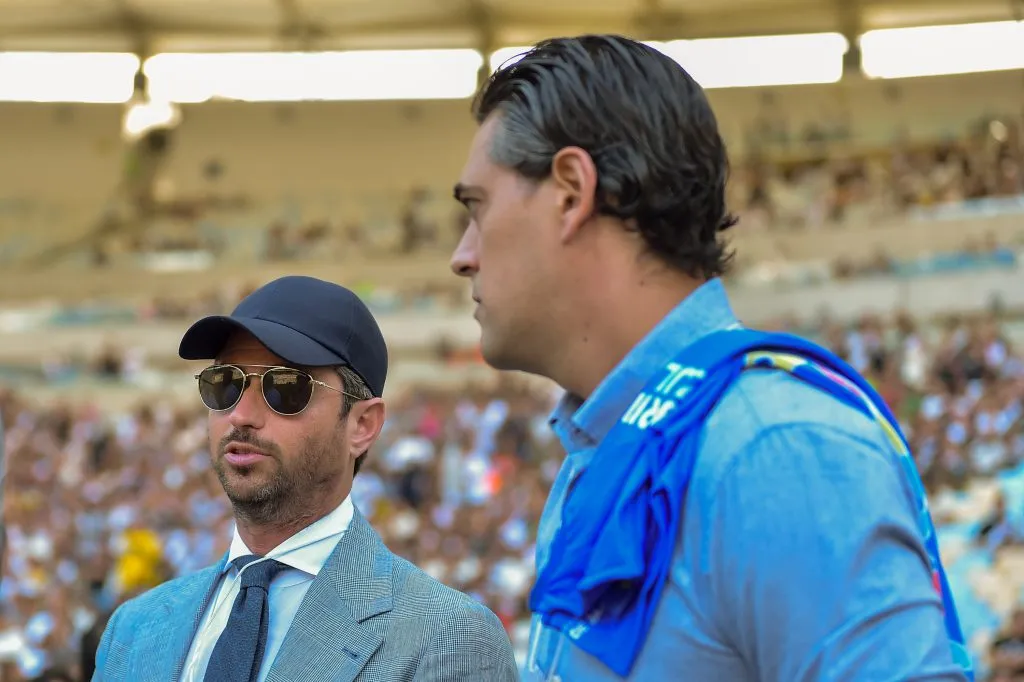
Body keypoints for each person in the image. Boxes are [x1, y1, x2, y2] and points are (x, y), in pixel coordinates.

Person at [450, 35, 972, 681]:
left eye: (477, 209)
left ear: (570, 192)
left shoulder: (776, 449)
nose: (463, 256)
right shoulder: (609, 450)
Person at [92, 276, 518, 682]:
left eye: (285, 388)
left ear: (362, 425)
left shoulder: (446, 638)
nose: (241, 415)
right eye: (225, 384)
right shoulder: (134, 630)